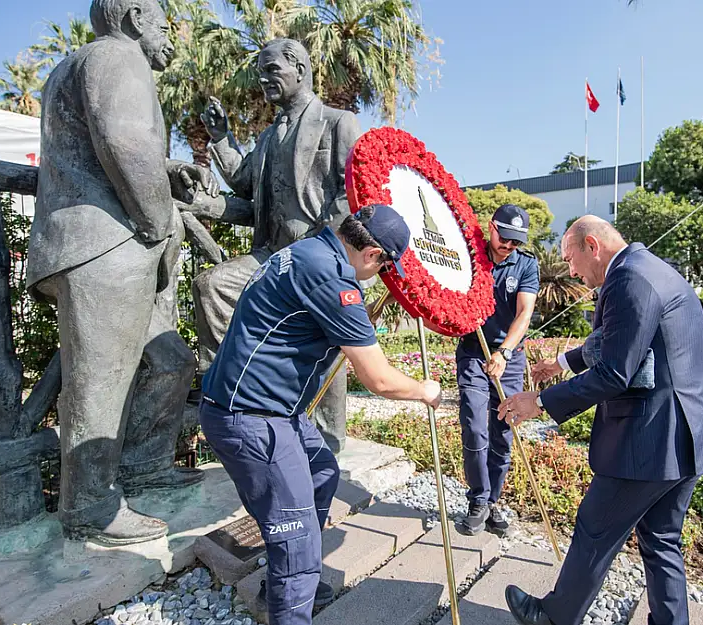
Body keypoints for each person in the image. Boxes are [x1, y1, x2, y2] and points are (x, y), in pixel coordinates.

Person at [26, 0, 214, 544]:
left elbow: (109, 145)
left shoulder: (85, 64)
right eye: (162, 23)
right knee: (100, 382)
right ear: (134, 17)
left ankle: (142, 466)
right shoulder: (115, 55)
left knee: (170, 361)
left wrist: (168, 169)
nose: (169, 35)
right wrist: (158, 225)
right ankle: (91, 508)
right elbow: (123, 142)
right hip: (103, 245)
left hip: (105, 242)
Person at [199, 205, 442, 625]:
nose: (381, 275)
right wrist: (425, 390)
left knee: (322, 471)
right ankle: (292, 593)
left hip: (272, 411)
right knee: (298, 541)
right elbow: (378, 379)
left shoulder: (311, 249)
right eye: (385, 267)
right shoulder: (333, 278)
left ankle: (286, 580)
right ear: (372, 255)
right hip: (254, 418)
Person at [498, 216, 703, 625]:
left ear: (593, 245)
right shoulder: (652, 269)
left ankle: (553, 618)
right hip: (691, 432)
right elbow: (620, 339)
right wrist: (562, 363)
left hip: (652, 438)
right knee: (661, 538)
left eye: (571, 258)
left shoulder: (628, 282)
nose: (571, 270)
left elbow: (614, 372)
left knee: (595, 527)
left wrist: (538, 402)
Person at [187, 38, 361, 453]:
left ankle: (326, 441)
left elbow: (352, 190)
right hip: (271, 255)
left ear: (299, 69)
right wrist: (222, 137)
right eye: (260, 71)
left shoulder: (337, 122)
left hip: (318, 256)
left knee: (325, 335)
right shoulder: (267, 137)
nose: (263, 79)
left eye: (272, 70)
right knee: (212, 287)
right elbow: (245, 186)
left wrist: (323, 247)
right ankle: (231, 392)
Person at [454, 204, 539, 536]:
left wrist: (504, 352)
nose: (508, 246)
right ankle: (477, 498)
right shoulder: (471, 258)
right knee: (475, 427)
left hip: (509, 358)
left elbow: (524, 313)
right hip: (474, 353)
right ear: (491, 228)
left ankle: (491, 501)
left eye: (516, 242)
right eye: (504, 238)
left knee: (503, 433)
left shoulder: (527, 265)